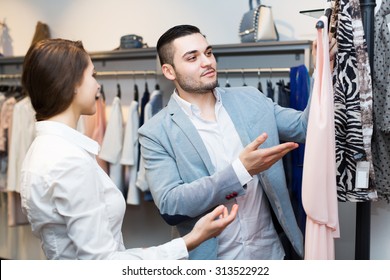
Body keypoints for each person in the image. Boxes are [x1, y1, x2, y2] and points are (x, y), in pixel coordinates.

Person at [20, 38, 238, 260]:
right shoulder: (66, 160)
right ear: (72, 82)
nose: (97, 85)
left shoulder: (43, 150)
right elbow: (104, 264)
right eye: (92, 75)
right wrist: (191, 240)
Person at [138, 24, 336, 260]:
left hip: (271, 255)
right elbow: (171, 204)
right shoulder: (155, 132)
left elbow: (306, 128)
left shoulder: (251, 99)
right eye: (192, 57)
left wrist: (323, 69)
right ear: (169, 71)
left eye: (208, 53)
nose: (207, 62)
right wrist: (241, 171)